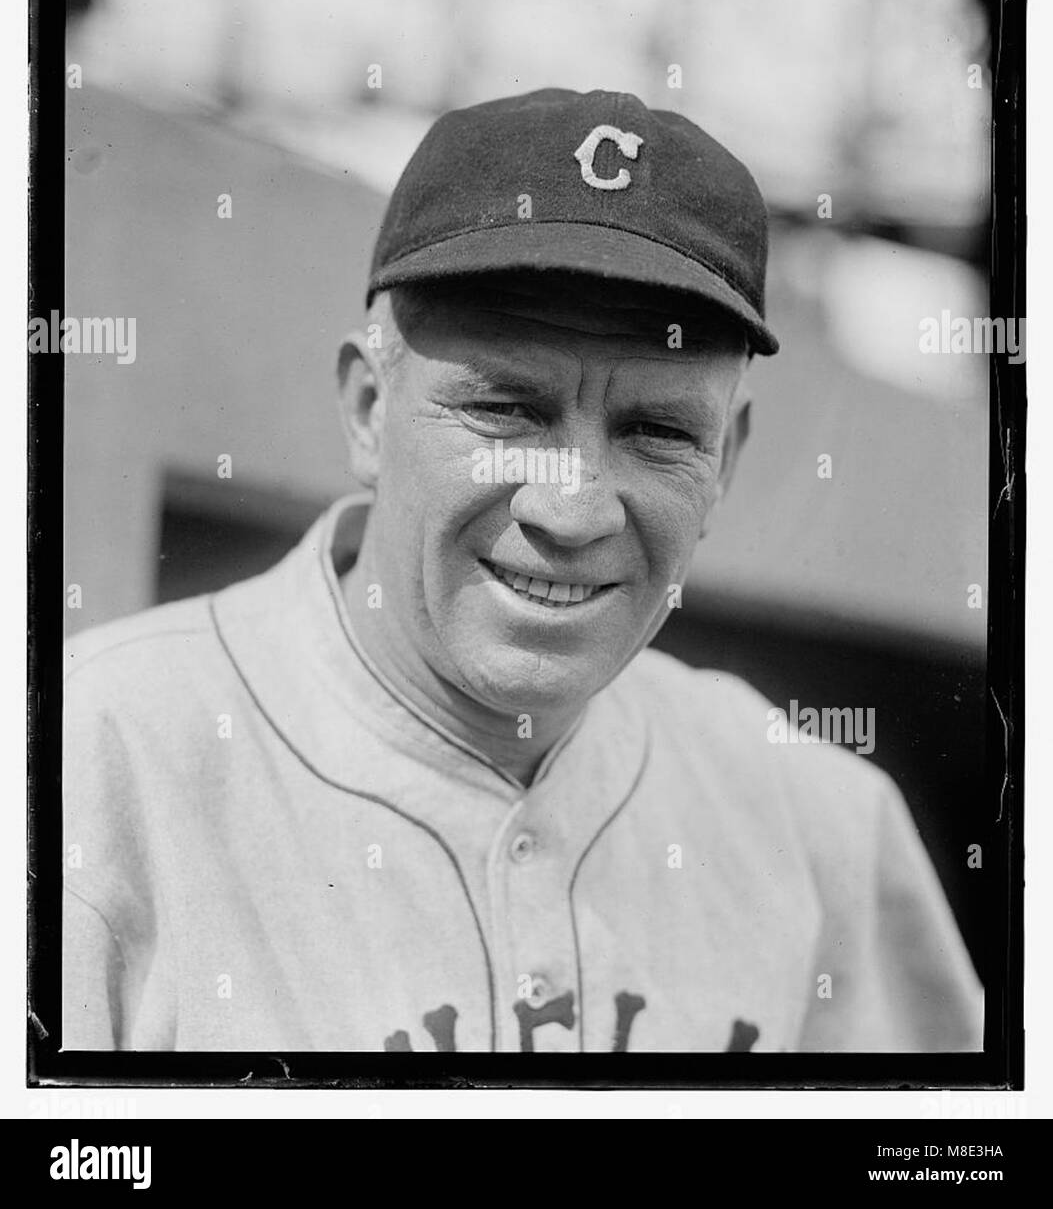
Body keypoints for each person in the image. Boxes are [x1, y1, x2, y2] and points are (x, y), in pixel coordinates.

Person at [62, 88, 982, 1053]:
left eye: (658, 432)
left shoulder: (818, 818)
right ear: (369, 408)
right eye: (506, 410)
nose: (572, 509)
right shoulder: (95, 762)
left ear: (727, 461)